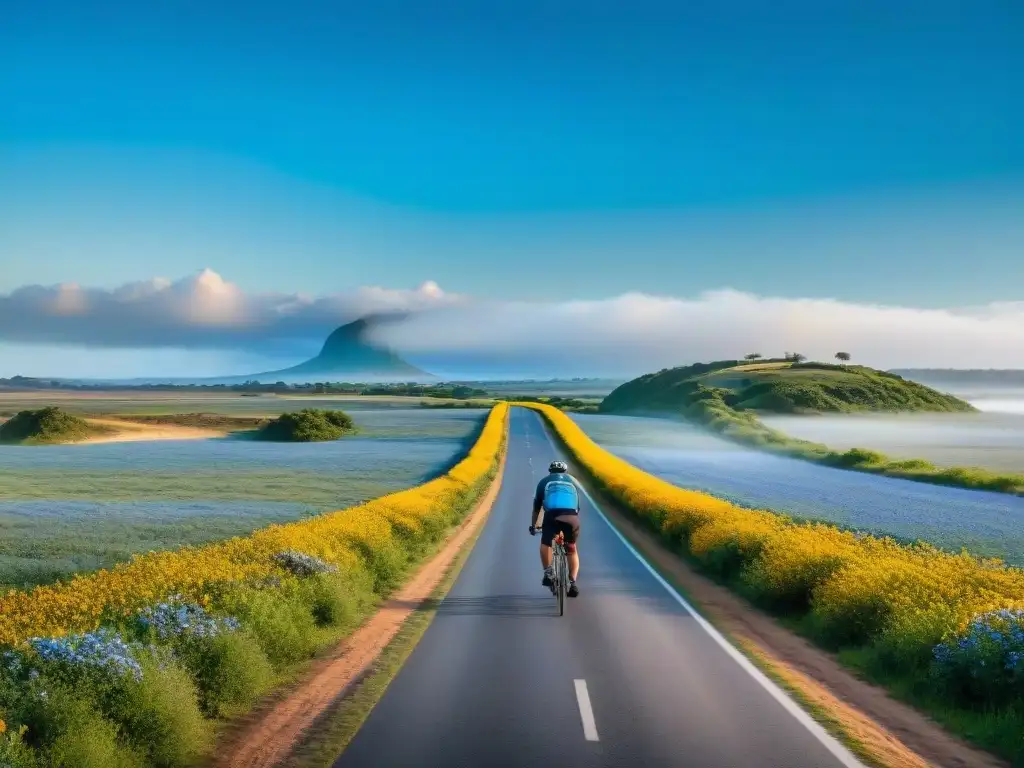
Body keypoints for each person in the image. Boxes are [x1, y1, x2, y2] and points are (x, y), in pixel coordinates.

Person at [529, 460, 582, 597]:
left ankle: (548, 573)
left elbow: (537, 508)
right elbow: (577, 507)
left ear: (550, 471)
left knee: (546, 543)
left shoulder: (543, 482)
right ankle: (573, 583)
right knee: (572, 548)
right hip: (571, 517)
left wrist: (534, 526)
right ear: (565, 471)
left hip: (552, 516)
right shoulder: (573, 482)